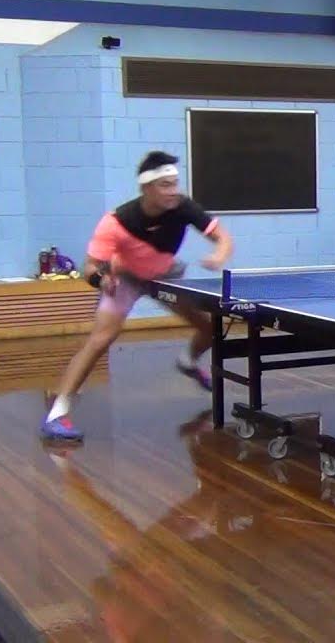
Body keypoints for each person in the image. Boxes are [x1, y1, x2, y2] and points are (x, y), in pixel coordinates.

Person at [41, 151, 234, 443]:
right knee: (101, 339)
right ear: (146, 188)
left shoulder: (184, 207)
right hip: (125, 278)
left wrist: (218, 254)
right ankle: (57, 415)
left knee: (209, 327)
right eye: (165, 185)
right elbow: (89, 268)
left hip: (164, 275)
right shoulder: (116, 221)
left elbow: (223, 238)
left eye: (174, 183)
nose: (173, 191)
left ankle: (187, 361)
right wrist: (101, 279)